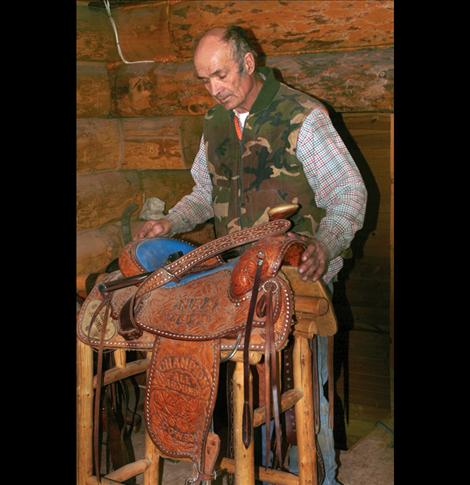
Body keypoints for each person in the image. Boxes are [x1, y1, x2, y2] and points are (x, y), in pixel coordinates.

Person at [136, 25, 367, 485]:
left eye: (220, 74)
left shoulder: (302, 116)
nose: (214, 88)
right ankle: (255, 472)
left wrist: (326, 244)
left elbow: (347, 193)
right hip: (236, 276)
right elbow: (204, 194)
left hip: (298, 272)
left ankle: (321, 478)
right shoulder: (215, 124)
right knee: (246, 387)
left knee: (304, 390)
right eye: (204, 79)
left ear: (247, 63)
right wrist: (172, 222)